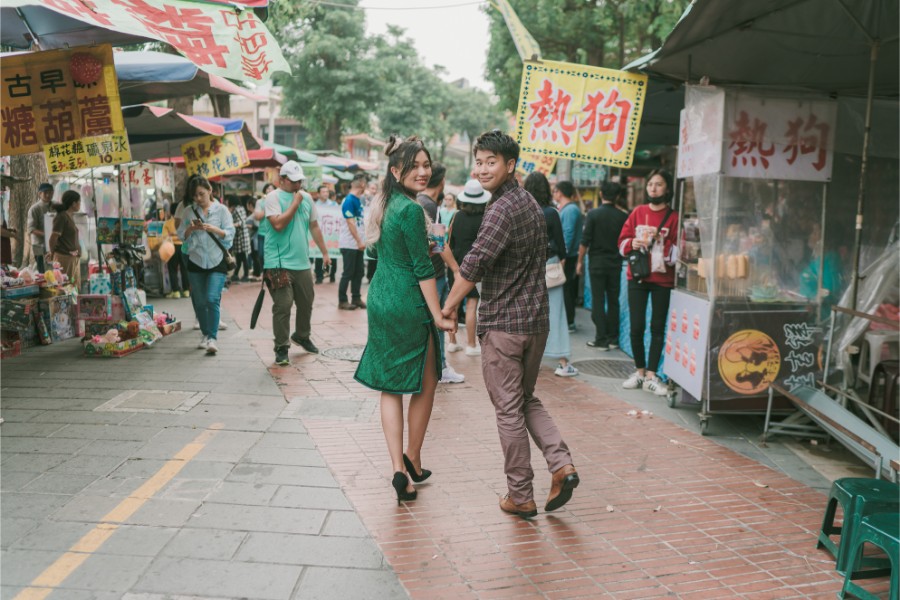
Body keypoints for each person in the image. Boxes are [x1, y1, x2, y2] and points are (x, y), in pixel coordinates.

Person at [443, 130, 580, 519]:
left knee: (507, 409)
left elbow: (475, 262)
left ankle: (520, 494)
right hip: (535, 322)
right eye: (479, 161)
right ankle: (562, 464)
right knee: (524, 399)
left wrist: (449, 308)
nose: (482, 169)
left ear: (510, 165)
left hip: (505, 324)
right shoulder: (529, 204)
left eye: (491, 162)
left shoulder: (502, 209)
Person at [353, 136, 455, 505]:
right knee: (427, 381)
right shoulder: (412, 210)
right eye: (415, 167)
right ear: (396, 171)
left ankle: (400, 468)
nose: (423, 172)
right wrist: (438, 315)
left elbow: (380, 249)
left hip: (381, 297)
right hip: (408, 301)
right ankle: (412, 455)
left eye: (426, 165)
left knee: (391, 387)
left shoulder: (383, 203)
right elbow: (422, 268)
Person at [617, 169, 679, 396]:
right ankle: (640, 371)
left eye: (659, 184)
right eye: (650, 184)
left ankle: (653, 374)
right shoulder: (637, 212)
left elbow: (680, 253)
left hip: (663, 279)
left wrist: (663, 242)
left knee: (657, 328)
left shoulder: (674, 217)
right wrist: (633, 242)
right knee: (636, 326)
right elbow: (621, 243)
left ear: (668, 189)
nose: (653, 188)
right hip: (638, 276)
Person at [263, 161, 331, 366]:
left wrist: (325, 253)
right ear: (281, 180)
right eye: (293, 181)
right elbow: (278, 224)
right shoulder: (272, 198)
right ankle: (282, 347)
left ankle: (302, 335)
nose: (297, 185)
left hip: (302, 262)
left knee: (306, 301)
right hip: (277, 262)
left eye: (299, 180)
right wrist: (295, 202)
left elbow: (314, 226)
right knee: (283, 305)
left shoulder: (307, 198)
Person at [417, 162, 465, 384]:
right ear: (442, 181)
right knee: (439, 322)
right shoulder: (429, 206)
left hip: (427, 274)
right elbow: (438, 243)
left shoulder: (421, 202)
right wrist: (456, 268)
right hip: (433, 275)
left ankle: (436, 365)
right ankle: (441, 366)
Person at [525, 172, 578, 378]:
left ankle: (528, 360)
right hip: (550, 267)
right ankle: (563, 363)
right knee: (555, 313)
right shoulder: (551, 212)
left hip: (526, 268)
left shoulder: (522, 212)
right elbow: (562, 247)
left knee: (528, 313)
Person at [177, 176, 235, 355]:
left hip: (217, 260)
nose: (198, 199)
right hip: (196, 261)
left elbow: (230, 233)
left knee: (212, 299)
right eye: (195, 196)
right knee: (200, 302)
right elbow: (181, 236)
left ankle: (212, 338)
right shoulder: (188, 212)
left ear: (210, 190)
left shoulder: (222, 210)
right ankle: (205, 334)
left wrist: (213, 229)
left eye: (201, 194)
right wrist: (190, 230)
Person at [578, 181, 628, 350]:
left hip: (597, 264)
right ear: (618, 197)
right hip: (615, 264)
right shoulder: (623, 216)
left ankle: (601, 339)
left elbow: (585, 241)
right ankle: (613, 338)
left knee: (598, 301)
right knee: (614, 301)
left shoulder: (593, 214)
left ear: (601, 195)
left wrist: (579, 262)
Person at [447, 179, 489, 356]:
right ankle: (471, 345)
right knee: (472, 305)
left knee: (453, 303)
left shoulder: (457, 216)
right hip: (475, 266)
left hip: (455, 264)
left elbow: (449, 241)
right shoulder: (486, 219)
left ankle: (452, 342)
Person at [554, 181, 583, 333]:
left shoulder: (570, 210)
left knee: (566, 289)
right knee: (564, 288)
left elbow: (568, 234)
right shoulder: (567, 209)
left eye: (555, 191)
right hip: (568, 255)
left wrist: (563, 255)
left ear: (560, 192)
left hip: (569, 256)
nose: (554, 194)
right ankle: (566, 320)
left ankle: (569, 321)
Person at [338, 173, 368, 310]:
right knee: (348, 272)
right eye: (365, 183)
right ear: (362, 184)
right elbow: (350, 223)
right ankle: (342, 300)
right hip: (350, 244)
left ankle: (356, 298)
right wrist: (358, 241)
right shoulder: (349, 200)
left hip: (357, 244)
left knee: (359, 272)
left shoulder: (359, 200)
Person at [48, 190, 82, 288]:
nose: (80, 204)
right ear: (73, 203)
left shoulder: (69, 216)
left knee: (73, 285)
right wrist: (52, 253)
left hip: (73, 258)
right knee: (65, 286)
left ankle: (74, 303)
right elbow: (53, 237)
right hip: (64, 257)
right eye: (79, 202)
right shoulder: (61, 217)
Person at [163, 206, 190, 298]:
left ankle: (176, 291)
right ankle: (186, 291)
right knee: (184, 269)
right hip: (184, 246)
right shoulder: (185, 222)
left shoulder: (168, 223)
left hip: (172, 246)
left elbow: (165, 236)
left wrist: (172, 235)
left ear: (171, 212)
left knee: (172, 269)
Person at [313, 185, 338, 284]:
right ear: (318, 194)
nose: (325, 194)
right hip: (320, 233)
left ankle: (332, 275)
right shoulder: (315, 205)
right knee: (318, 255)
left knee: (333, 254)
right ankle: (319, 276)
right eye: (323, 192)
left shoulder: (334, 205)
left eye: (327, 192)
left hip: (331, 234)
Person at [27, 183, 54, 272]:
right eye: (45, 192)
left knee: (53, 268)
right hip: (39, 245)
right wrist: (47, 235)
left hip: (53, 244)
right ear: (39, 194)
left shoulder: (56, 206)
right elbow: (31, 229)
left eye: (50, 192)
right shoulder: (34, 208)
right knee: (42, 269)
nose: (48, 195)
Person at [228, 196, 252, 283]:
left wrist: (232, 225)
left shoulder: (236, 210)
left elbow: (241, 223)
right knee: (241, 257)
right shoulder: (241, 208)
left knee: (242, 257)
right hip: (243, 236)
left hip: (240, 237)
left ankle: (245, 275)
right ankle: (237, 274)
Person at [363, 179, 379, 282]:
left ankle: (371, 277)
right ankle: (369, 276)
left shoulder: (377, 199)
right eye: (372, 188)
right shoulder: (362, 199)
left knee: (373, 256)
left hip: (374, 230)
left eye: (375, 189)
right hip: (364, 230)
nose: (373, 190)